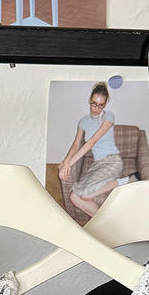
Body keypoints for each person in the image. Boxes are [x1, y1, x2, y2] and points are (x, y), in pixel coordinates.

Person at [57, 83, 122, 219]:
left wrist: (68, 164)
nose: (96, 108)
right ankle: (104, 223)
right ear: (89, 100)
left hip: (112, 162)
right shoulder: (83, 121)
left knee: (86, 195)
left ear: (105, 105)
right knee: (74, 197)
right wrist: (65, 161)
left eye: (100, 105)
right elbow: (76, 144)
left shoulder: (108, 117)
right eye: (94, 104)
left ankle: (123, 181)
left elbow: (92, 141)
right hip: (97, 164)